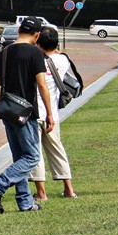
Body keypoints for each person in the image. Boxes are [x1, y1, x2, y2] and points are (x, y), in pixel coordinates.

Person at [0, 16, 55, 213]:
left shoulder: (5, 52)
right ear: (37, 35)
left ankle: (25, 202)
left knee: (19, 157)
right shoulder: (34, 53)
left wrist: (5, 104)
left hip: (8, 113)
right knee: (32, 157)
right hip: (26, 113)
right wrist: (49, 113)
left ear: (19, 30)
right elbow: (41, 85)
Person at [29, 27, 77, 201]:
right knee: (57, 150)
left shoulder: (34, 60)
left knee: (36, 153)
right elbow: (56, 52)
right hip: (52, 115)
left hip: (34, 113)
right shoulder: (63, 60)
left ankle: (41, 193)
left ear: (39, 43)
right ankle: (69, 189)